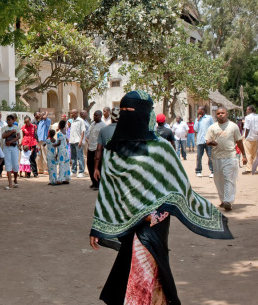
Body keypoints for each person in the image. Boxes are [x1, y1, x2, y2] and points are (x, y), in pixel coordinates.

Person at [89, 90, 233, 305]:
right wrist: (97, 227)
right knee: (136, 275)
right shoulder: (113, 150)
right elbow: (108, 191)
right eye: (124, 110)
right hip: (127, 224)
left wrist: (154, 214)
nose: (128, 115)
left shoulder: (161, 149)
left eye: (133, 110)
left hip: (152, 226)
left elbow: (176, 188)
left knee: (147, 274)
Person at [206, 107, 247, 210]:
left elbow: (239, 141)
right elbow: (207, 141)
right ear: (216, 115)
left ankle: (228, 200)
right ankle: (223, 199)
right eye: (219, 113)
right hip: (216, 158)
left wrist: (244, 155)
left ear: (227, 114)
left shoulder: (233, 126)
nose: (221, 115)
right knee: (218, 180)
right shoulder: (212, 127)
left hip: (230, 157)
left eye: (223, 113)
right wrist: (211, 142)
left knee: (229, 179)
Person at [92, 108, 119, 191]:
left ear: (111, 118)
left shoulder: (103, 130)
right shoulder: (125, 130)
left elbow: (98, 149)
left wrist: (96, 168)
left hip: (107, 161)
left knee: (108, 186)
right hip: (120, 162)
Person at [86, 110, 106, 189]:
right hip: (90, 147)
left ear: (100, 116)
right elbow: (89, 134)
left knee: (97, 166)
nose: (95, 117)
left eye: (96, 115)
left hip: (97, 149)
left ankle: (98, 183)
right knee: (89, 165)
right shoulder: (92, 124)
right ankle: (93, 182)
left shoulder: (103, 126)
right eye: (94, 115)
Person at [194, 106, 215, 177]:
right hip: (200, 140)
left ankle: (212, 171)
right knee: (199, 156)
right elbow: (195, 129)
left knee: (210, 156)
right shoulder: (197, 119)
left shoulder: (209, 118)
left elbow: (213, 127)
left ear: (202, 110)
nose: (197, 110)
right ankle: (198, 171)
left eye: (198, 109)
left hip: (208, 140)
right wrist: (197, 120)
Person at [2, 115, 20, 189]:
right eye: (7, 120)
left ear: (13, 120)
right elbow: (3, 136)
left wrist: (11, 141)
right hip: (6, 148)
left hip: (14, 147)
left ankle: (15, 179)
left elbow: (18, 136)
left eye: (9, 120)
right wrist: (11, 132)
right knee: (8, 164)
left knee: (15, 164)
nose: (8, 121)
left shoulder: (16, 127)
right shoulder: (5, 128)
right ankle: (10, 183)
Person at [69, 109, 86, 177]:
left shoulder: (80, 120)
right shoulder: (72, 121)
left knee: (79, 156)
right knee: (73, 157)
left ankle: (81, 172)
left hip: (78, 141)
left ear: (76, 113)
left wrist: (81, 141)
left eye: (72, 113)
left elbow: (83, 131)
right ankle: (74, 171)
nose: (71, 114)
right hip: (72, 141)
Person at [243, 105, 258, 175]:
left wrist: (245, 137)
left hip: (249, 138)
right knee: (255, 153)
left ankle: (249, 169)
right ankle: (256, 168)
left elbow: (247, 128)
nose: (246, 111)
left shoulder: (247, 117)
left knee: (248, 153)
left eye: (247, 110)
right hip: (256, 137)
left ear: (250, 110)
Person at [55, 120, 71, 184]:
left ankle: (60, 178)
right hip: (66, 150)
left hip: (61, 150)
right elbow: (67, 141)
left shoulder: (59, 133)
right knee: (66, 164)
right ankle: (66, 178)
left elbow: (58, 142)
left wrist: (53, 145)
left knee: (61, 164)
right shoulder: (65, 133)